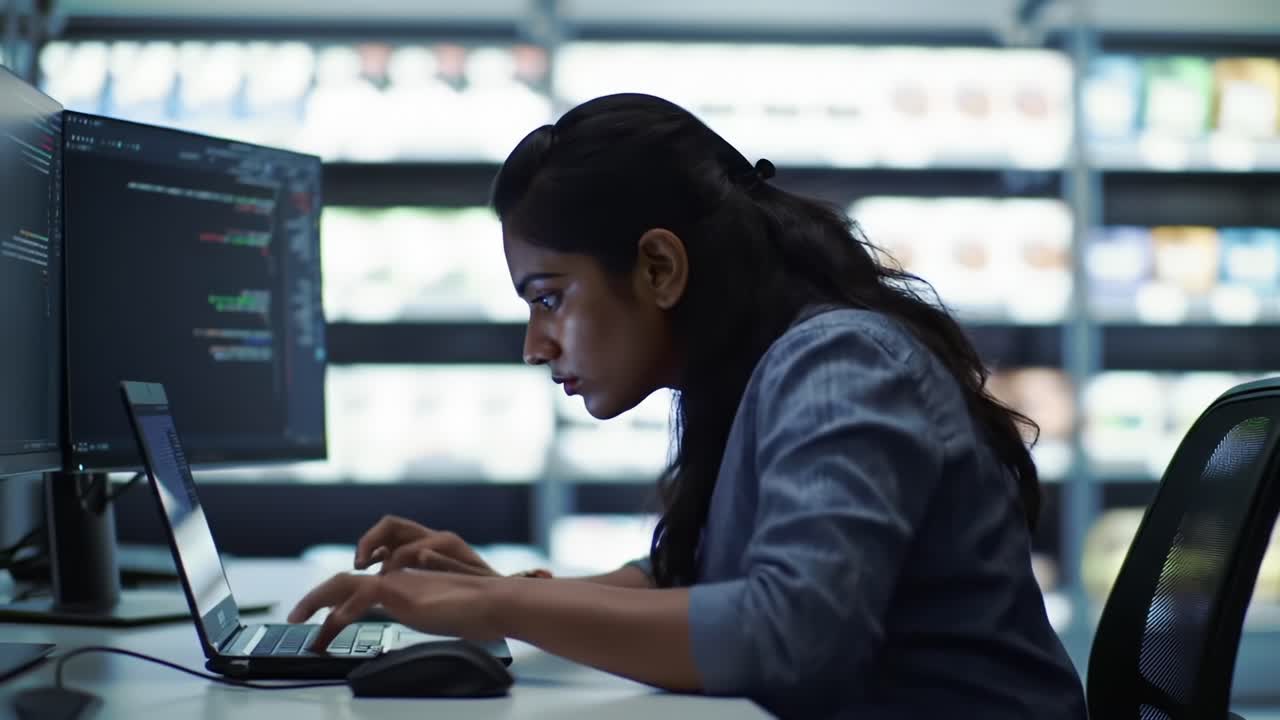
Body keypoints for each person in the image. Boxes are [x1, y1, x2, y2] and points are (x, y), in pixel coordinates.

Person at [289, 93, 1088, 718]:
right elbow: (698, 582)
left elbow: (790, 636)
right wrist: (502, 596)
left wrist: (508, 603)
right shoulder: (759, 369)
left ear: (660, 267)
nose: (536, 345)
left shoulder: (839, 363)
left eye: (550, 297)